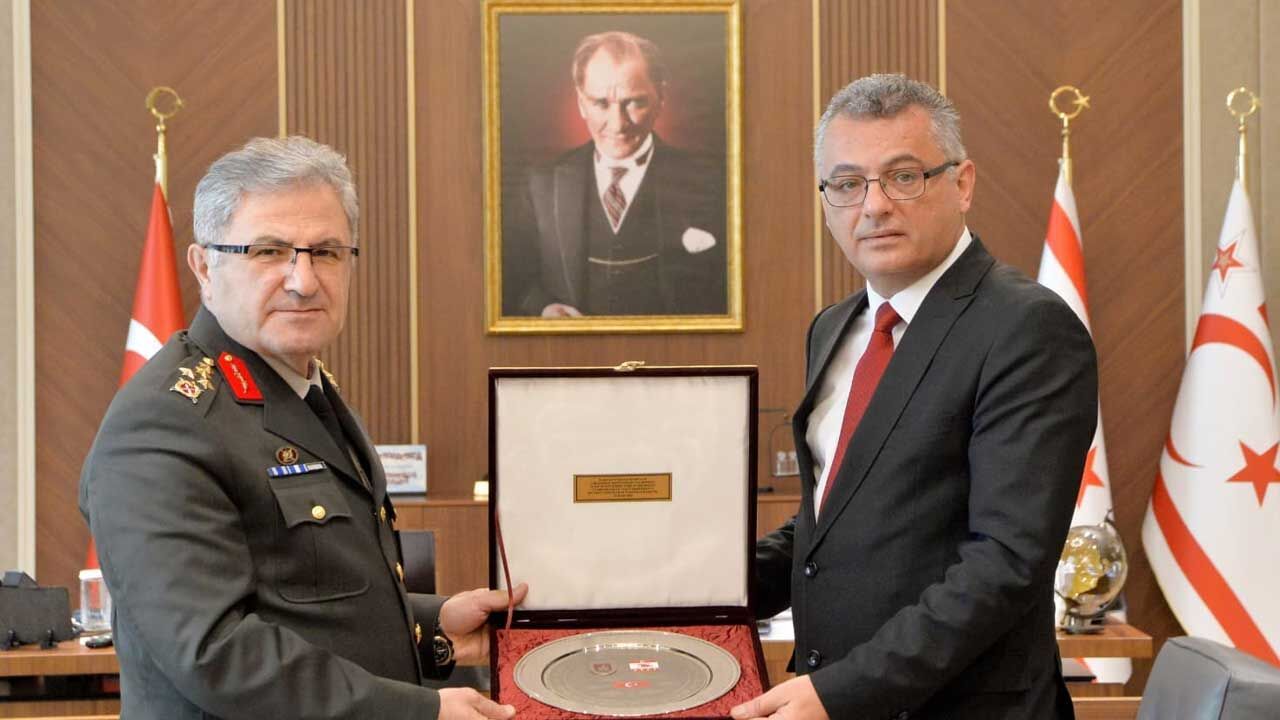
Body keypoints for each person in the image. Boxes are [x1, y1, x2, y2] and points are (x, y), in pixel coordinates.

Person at [80, 136, 526, 720]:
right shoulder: (164, 423)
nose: (304, 280)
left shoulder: (305, 391)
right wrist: (420, 713)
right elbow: (217, 653)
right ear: (204, 267)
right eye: (269, 251)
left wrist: (434, 625)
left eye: (327, 252)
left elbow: (311, 600)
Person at [731, 75, 1097, 719]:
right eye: (847, 183)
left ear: (962, 184)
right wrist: (687, 589)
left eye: (903, 177)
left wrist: (842, 692)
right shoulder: (834, 328)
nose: (873, 206)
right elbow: (832, 522)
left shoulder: (1027, 327)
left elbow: (1006, 561)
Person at [504, 30, 727, 318]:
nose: (618, 124)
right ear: (581, 103)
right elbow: (512, 279)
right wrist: (543, 308)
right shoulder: (540, 184)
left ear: (661, 98)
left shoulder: (712, 183)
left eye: (634, 102)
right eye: (600, 103)